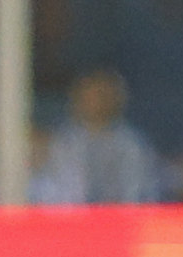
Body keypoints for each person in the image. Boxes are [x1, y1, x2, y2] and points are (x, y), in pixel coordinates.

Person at [33, 68, 161, 203]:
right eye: (89, 93)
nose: (95, 100)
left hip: (120, 220)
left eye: (103, 94)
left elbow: (139, 193)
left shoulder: (132, 145)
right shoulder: (60, 141)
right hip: (68, 220)